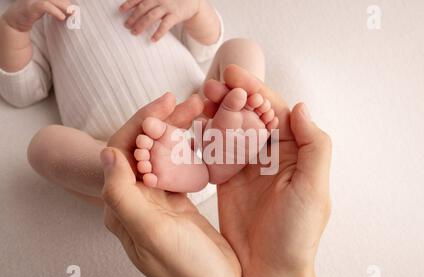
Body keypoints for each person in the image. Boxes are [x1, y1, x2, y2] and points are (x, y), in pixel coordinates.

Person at [101, 65, 332, 277]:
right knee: (235, 77)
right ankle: (228, 132)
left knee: (108, 159)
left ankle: (227, 131)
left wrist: (194, 25)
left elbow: (208, 39)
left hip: (171, 138)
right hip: (189, 142)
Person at [0, 0, 265, 204]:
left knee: (241, 49)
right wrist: (13, 27)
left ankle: (232, 127)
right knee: (43, 146)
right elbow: (23, 92)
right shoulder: (36, 16)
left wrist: (193, 8)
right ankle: (125, 170)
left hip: (202, 116)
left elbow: (205, 43)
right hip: (122, 145)